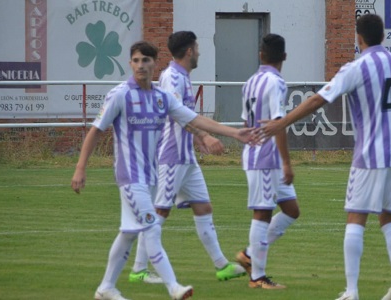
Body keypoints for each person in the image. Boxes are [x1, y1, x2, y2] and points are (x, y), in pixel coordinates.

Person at [259, 15, 391, 300]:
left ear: (358, 38)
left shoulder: (357, 68)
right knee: (390, 217)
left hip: (370, 156)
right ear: (383, 36)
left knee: (356, 218)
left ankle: (352, 291)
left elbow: (318, 100)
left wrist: (282, 123)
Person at [71, 41, 254, 300]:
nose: (140, 65)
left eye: (145, 60)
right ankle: (174, 288)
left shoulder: (160, 98)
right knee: (152, 228)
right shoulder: (120, 94)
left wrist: (235, 133)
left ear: (154, 63)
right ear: (130, 63)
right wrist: (80, 168)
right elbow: (95, 131)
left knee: (129, 233)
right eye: (135, 60)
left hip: (151, 176)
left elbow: (194, 119)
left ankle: (105, 288)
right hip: (129, 177)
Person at [128, 31, 246, 285]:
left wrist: (198, 139)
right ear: (190, 50)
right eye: (198, 47)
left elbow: (185, 117)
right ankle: (138, 269)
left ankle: (221, 265)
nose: (200, 52)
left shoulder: (182, 77)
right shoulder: (172, 77)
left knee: (203, 207)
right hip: (172, 156)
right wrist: (205, 136)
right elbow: (177, 116)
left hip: (186, 158)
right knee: (158, 212)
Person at [233, 33, 300, 290]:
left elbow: (244, 123)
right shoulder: (276, 82)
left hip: (255, 152)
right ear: (284, 56)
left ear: (260, 54)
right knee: (262, 212)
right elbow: (279, 124)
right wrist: (286, 162)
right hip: (265, 157)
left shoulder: (250, 82)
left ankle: (250, 255)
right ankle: (257, 277)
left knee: (292, 210)